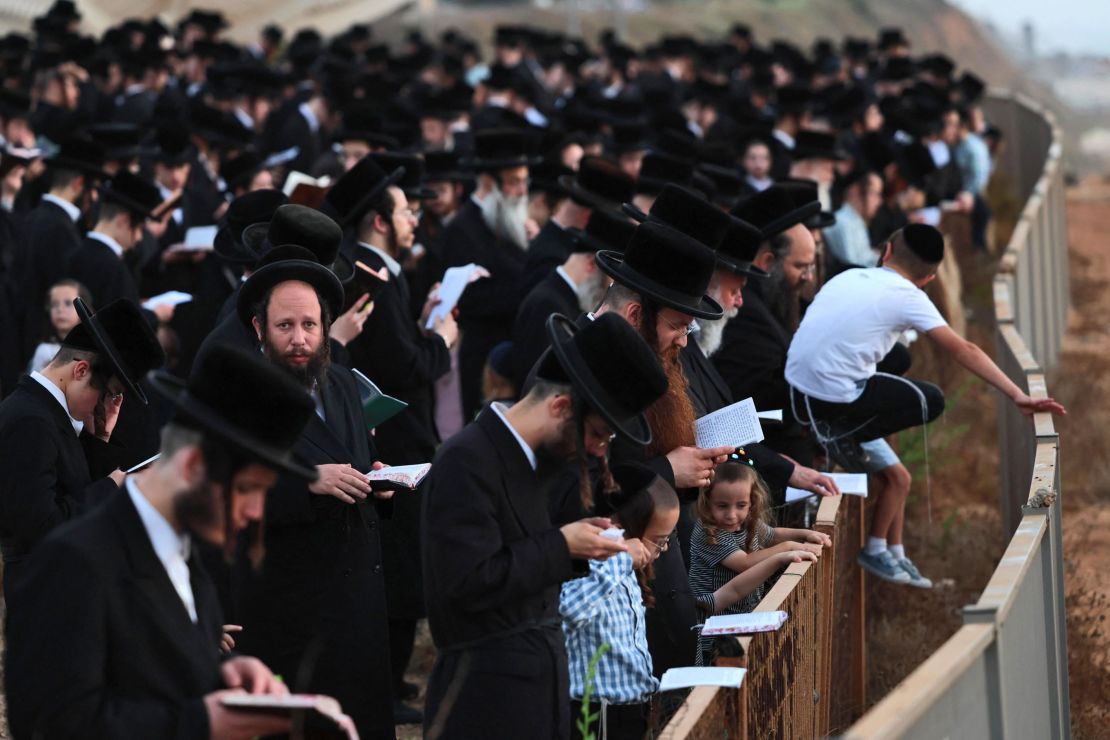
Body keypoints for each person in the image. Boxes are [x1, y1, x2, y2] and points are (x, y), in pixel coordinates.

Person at [4, 343, 320, 739]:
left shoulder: (184, 549)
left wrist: (224, 670)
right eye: (247, 489)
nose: (256, 511)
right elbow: (50, 724)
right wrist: (201, 723)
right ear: (192, 467)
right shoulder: (72, 563)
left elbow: (152, 667)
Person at [421, 312, 669, 739]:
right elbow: (466, 581)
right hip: (486, 698)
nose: (598, 451)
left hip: (536, 691)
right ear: (560, 407)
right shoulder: (468, 460)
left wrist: (581, 545)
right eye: (597, 434)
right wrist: (562, 545)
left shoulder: (536, 464)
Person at [786, 224, 1066, 583]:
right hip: (829, 402)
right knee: (929, 399)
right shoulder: (909, 296)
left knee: (898, 360)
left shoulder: (849, 276)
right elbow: (964, 349)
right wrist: (1017, 395)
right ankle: (839, 433)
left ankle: (887, 549)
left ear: (885, 251)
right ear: (929, 278)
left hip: (796, 390)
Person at [233, 244, 398, 738]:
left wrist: (379, 481)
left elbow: (355, 462)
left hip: (359, 602)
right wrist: (309, 483)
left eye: (309, 325)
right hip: (291, 609)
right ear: (260, 329)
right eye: (285, 327)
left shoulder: (344, 383)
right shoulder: (237, 395)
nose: (299, 339)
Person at [343, 153, 457, 723]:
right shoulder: (370, 277)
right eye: (405, 210)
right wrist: (441, 337)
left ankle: (392, 685)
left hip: (399, 435)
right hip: (392, 440)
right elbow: (404, 365)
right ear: (380, 221)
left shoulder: (382, 273)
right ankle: (383, 690)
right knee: (396, 570)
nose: (415, 218)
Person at [0, 297, 164, 598]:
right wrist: (111, 487)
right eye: (108, 393)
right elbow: (40, 527)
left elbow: (70, 487)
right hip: (41, 594)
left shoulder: (47, 413)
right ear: (80, 371)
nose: (105, 405)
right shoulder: (30, 419)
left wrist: (99, 441)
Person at [560, 463, 679, 740]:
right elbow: (569, 609)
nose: (664, 548)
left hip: (630, 709)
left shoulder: (625, 573)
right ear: (623, 529)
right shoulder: (591, 564)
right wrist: (622, 556)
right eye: (659, 540)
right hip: (596, 715)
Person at [440, 127, 537, 419]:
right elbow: (471, 299)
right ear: (488, 181)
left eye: (524, 181)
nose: (522, 191)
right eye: (514, 182)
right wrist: (530, 291)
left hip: (513, 353)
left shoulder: (509, 220)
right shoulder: (462, 228)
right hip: (485, 360)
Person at [688, 458, 825, 663]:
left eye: (741, 505)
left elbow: (772, 535)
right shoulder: (710, 533)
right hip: (714, 623)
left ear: (752, 501)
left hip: (742, 613)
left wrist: (804, 534)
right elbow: (745, 563)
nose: (732, 515)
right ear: (706, 501)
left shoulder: (746, 522)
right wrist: (788, 548)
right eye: (722, 506)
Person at [824, 169, 883, 270]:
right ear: (855, 190)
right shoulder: (843, 222)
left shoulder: (855, 220)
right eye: (874, 193)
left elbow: (865, 257)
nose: (879, 201)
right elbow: (853, 266)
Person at [27, 279, 90, 373]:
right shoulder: (45, 351)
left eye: (68, 303)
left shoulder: (92, 348)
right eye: (54, 304)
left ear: (84, 307)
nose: (60, 309)